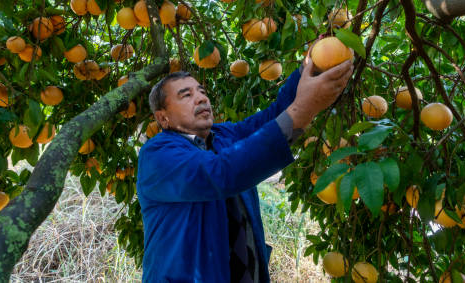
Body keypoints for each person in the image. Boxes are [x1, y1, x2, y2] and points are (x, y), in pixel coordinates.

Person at [136, 54, 353, 282]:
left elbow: (275, 115)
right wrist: (303, 110)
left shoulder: (223, 136)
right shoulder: (158, 154)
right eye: (186, 95)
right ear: (163, 118)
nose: (201, 99)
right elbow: (221, 173)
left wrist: (312, 64)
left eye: (201, 92)